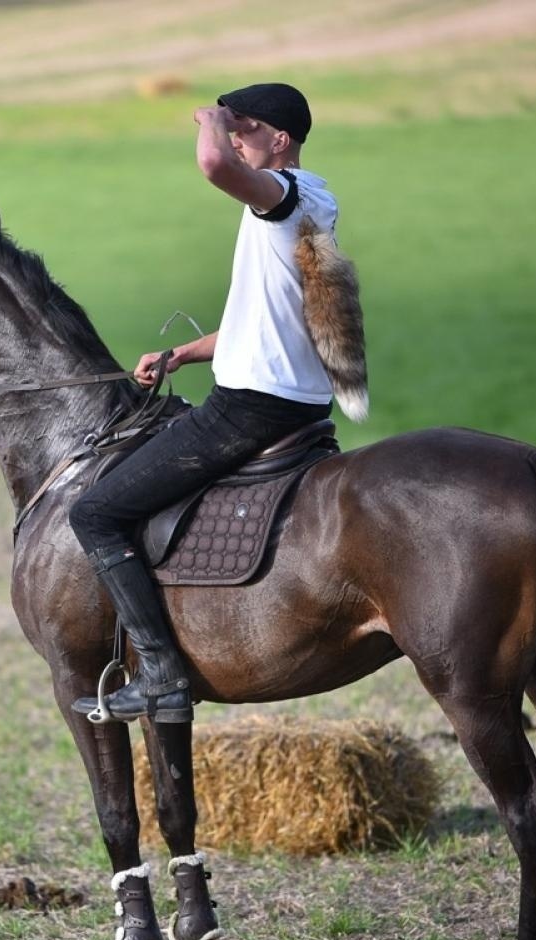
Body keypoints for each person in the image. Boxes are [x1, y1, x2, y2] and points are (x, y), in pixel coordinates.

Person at [69, 82, 347, 723]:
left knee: (98, 513)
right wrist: (182, 355)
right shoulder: (304, 206)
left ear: (279, 141)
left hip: (252, 407)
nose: (236, 138)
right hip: (287, 401)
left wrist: (208, 118)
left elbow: (213, 163)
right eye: (232, 126)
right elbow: (266, 319)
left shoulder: (286, 195)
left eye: (246, 127)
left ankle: (162, 675)